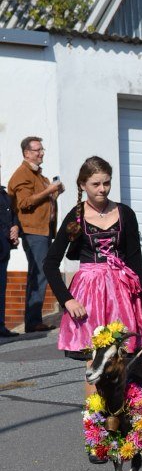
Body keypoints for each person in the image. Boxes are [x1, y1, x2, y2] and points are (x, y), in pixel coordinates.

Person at [42, 157, 142, 403]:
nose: (102, 189)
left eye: (106, 183)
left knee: (122, 358)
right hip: (89, 295)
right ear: (83, 185)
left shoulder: (125, 213)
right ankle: (96, 428)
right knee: (94, 363)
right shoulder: (76, 217)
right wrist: (67, 300)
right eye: (96, 184)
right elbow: (50, 263)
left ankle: (124, 422)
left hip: (121, 293)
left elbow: (135, 263)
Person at [7, 136, 64, 333]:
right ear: (27, 153)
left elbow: (40, 198)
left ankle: (34, 320)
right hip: (33, 231)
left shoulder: (37, 174)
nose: (41, 153)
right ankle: (33, 321)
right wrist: (48, 190)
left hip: (42, 230)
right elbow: (24, 203)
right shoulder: (23, 174)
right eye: (37, 150)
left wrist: (54, 193)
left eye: (42, 149)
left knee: (41, 273)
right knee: (39, 273)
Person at [0, 174, 21, 338]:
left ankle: (0, 326)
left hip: (3, 248)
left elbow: (12, 215)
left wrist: (15, 227)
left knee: (1, 288)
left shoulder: (4, 195)